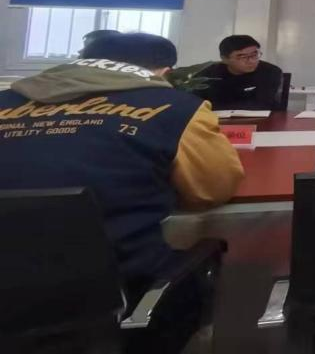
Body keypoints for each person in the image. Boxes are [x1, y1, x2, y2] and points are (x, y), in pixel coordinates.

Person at [0, 33, 244, 352]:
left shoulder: (5, 101)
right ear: (164, 71)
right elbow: (212, 189)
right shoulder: (176, 108)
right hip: (118, 295)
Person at [195, 35, 284, 111]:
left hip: (262, 120)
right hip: (216, 120)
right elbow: (197, 104)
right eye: (243, 57)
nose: (251, 61)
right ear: (224, 59)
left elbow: (264, 104)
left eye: (254, 55)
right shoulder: (207, 75)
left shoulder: (270, 71)